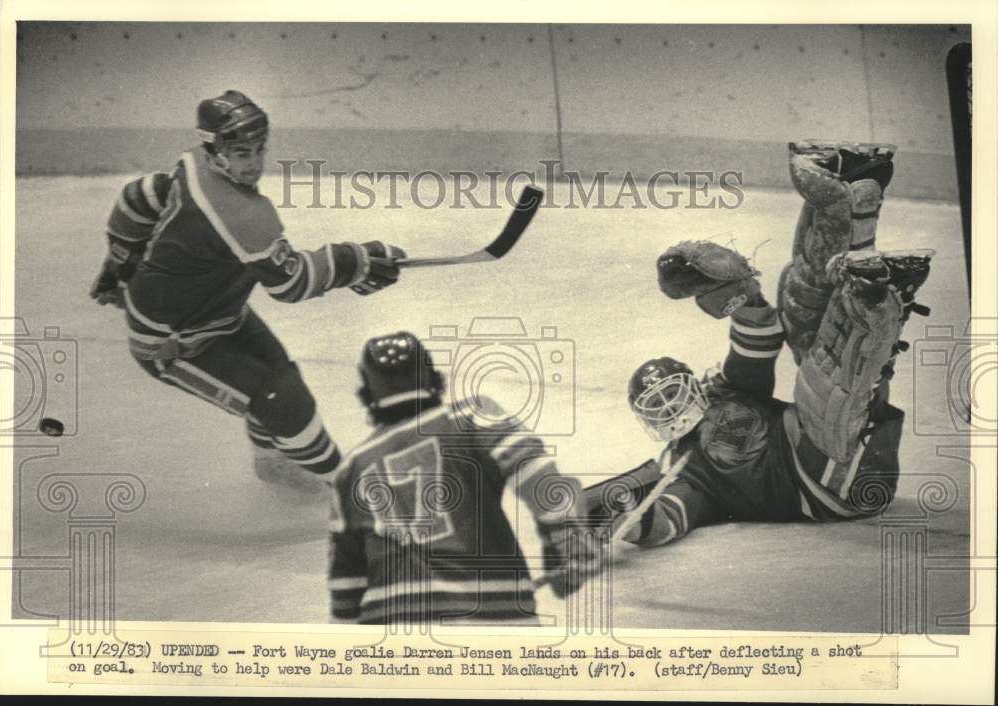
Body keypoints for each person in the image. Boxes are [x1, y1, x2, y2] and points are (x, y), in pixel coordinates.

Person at [586, 141, 933, 546]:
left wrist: (742, 297)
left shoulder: (725, 392)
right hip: (832, 491)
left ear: (693, 386)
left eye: (671, 396)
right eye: (659, 407)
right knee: (818, 385)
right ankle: (879, 297)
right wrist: (628, 518)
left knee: (800, 306)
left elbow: (761, 338)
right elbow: (669, 517)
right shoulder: (685, 470)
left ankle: (852, 196)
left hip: (842, 450)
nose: (671, 411)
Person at [89, 89, 407, 491]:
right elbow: (291, 283)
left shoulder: (193, 163)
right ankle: (352, 494)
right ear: (216, 149)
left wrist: (119, 264)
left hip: (220, 315)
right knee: (284, 400)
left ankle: (273, 466)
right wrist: (355, 260)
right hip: (173, 341)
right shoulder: (239, 214)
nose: (254, 164)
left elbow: (141, 197)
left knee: (281, 376)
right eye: (242, 153)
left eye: (259, 150)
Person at [324, 332, 598, 625]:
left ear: (367, 394)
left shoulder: (350, 468)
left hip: (390, 634)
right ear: (431, 377)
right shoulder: (471, 416)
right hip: (490, 615)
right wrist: (569, 542)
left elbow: (346, 584)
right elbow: (539, 477)